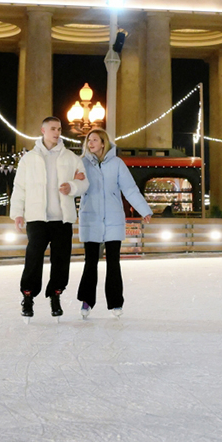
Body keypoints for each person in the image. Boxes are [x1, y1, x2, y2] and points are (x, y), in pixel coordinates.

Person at [11, 117, 89, 319]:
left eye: (59, 129)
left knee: (61, 260)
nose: (56, 132)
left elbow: (84, 183)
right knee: (33, 258)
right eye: (53, 128)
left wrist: (72, 186)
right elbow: (19, 188)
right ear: (43, 130)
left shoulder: (71, 158)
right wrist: (18, 213)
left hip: (62, 219)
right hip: (37, 218)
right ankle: (28, 296)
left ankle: (56, 295)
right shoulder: (28, 159)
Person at [76, 128, 152, 318]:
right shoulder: (82, 164)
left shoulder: (117, 164)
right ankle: (87, 301)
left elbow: (130, 189)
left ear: (103, 143)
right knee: (90, 262)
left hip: (112, 219)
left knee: (113, 263)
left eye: (94, 140)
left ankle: (116, 303)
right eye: (88, 140)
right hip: (91, 218)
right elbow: (74, 188)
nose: (90, 143)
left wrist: (144, 210)